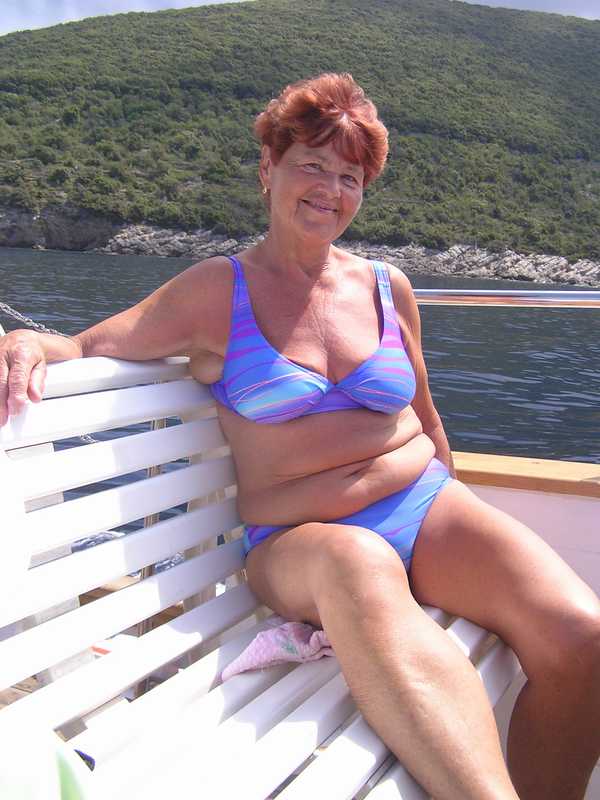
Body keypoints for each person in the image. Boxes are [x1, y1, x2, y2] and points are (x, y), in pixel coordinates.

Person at [0, 73, 599, 800]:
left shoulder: (387, 287)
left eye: (350, 177)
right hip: (302, 543)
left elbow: (428, 417)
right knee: (357, 560)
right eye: (312, 164)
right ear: (269, 168)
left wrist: (462, 512)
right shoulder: (217, 291)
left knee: (582, 639)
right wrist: (26, 343)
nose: (330, 190)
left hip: (423, 504)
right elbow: (89, 344)